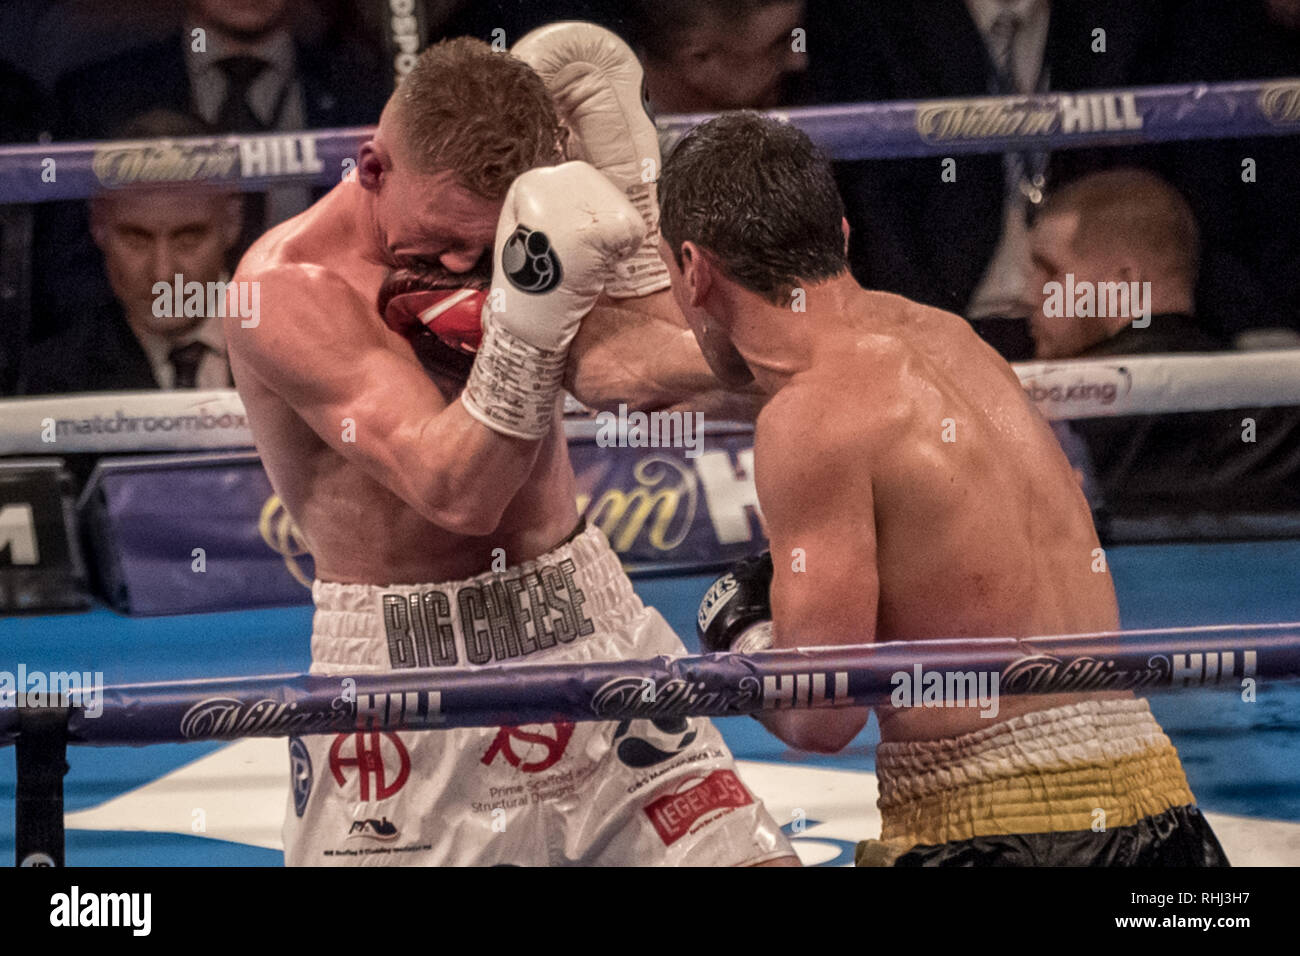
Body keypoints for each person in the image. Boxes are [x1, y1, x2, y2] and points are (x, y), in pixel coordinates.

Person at [226, 29, 796, 867]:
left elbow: (680, 376)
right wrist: (530, 321)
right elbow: (454, 489)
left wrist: (644, 243)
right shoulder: (283, 291)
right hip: (402, 676)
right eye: (444, 238)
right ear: (372, 167)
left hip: (587, 622)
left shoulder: (531, 234)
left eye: (485, 244)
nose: (463, 264)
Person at [661, 112, 1227, 866]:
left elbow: (821, 717)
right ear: (839, 232)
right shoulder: (951, 337)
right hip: (1161, 816)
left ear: (694, 270)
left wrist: (742, 640)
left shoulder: (809, 418)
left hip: (998, 835)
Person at [1023, 167, 1300, 520]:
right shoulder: (1279, 417)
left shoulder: (1062, 422)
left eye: (1050, 272)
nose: (1030, 295)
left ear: (1122, 285)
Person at [21, 110, 241, 395]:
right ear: (98, 225)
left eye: (188, 237)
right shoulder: (53, 375)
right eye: (137, 238)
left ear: (232, 222)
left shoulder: (291, 345)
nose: (162, 273)